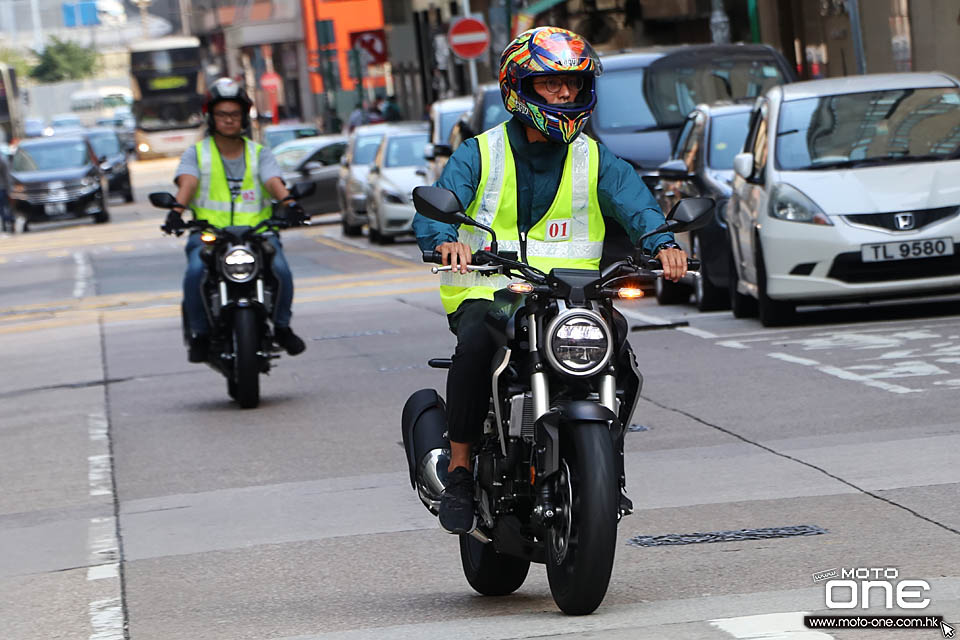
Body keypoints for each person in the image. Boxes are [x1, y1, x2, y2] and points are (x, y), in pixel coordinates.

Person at [412, 26, 688, 534]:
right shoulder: (481, 152)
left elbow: (636, 204)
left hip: (573, 294)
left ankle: (607, 462)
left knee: (618, 350)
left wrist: (663, 245)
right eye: (550, 83)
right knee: (477, 344)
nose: (565, 93)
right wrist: (443, 240)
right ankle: (458, 472)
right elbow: (439, 205)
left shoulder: (595, 157)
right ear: (518, 86)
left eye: (573, 84)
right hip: (491, 290)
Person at [168, 77, 307, 363]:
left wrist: (290, 204)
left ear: (243, 117)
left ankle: (281, 327)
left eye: (234, 114)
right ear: (211, 117)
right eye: (222, 114)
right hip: (210, 234)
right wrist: (175, 212)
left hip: (258, 232)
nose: (229, 120)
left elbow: (273, 181)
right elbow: (188, 183)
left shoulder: (260, 153)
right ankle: (200, 334)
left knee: (281, 269)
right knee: (195, 273)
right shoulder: (197, 153)